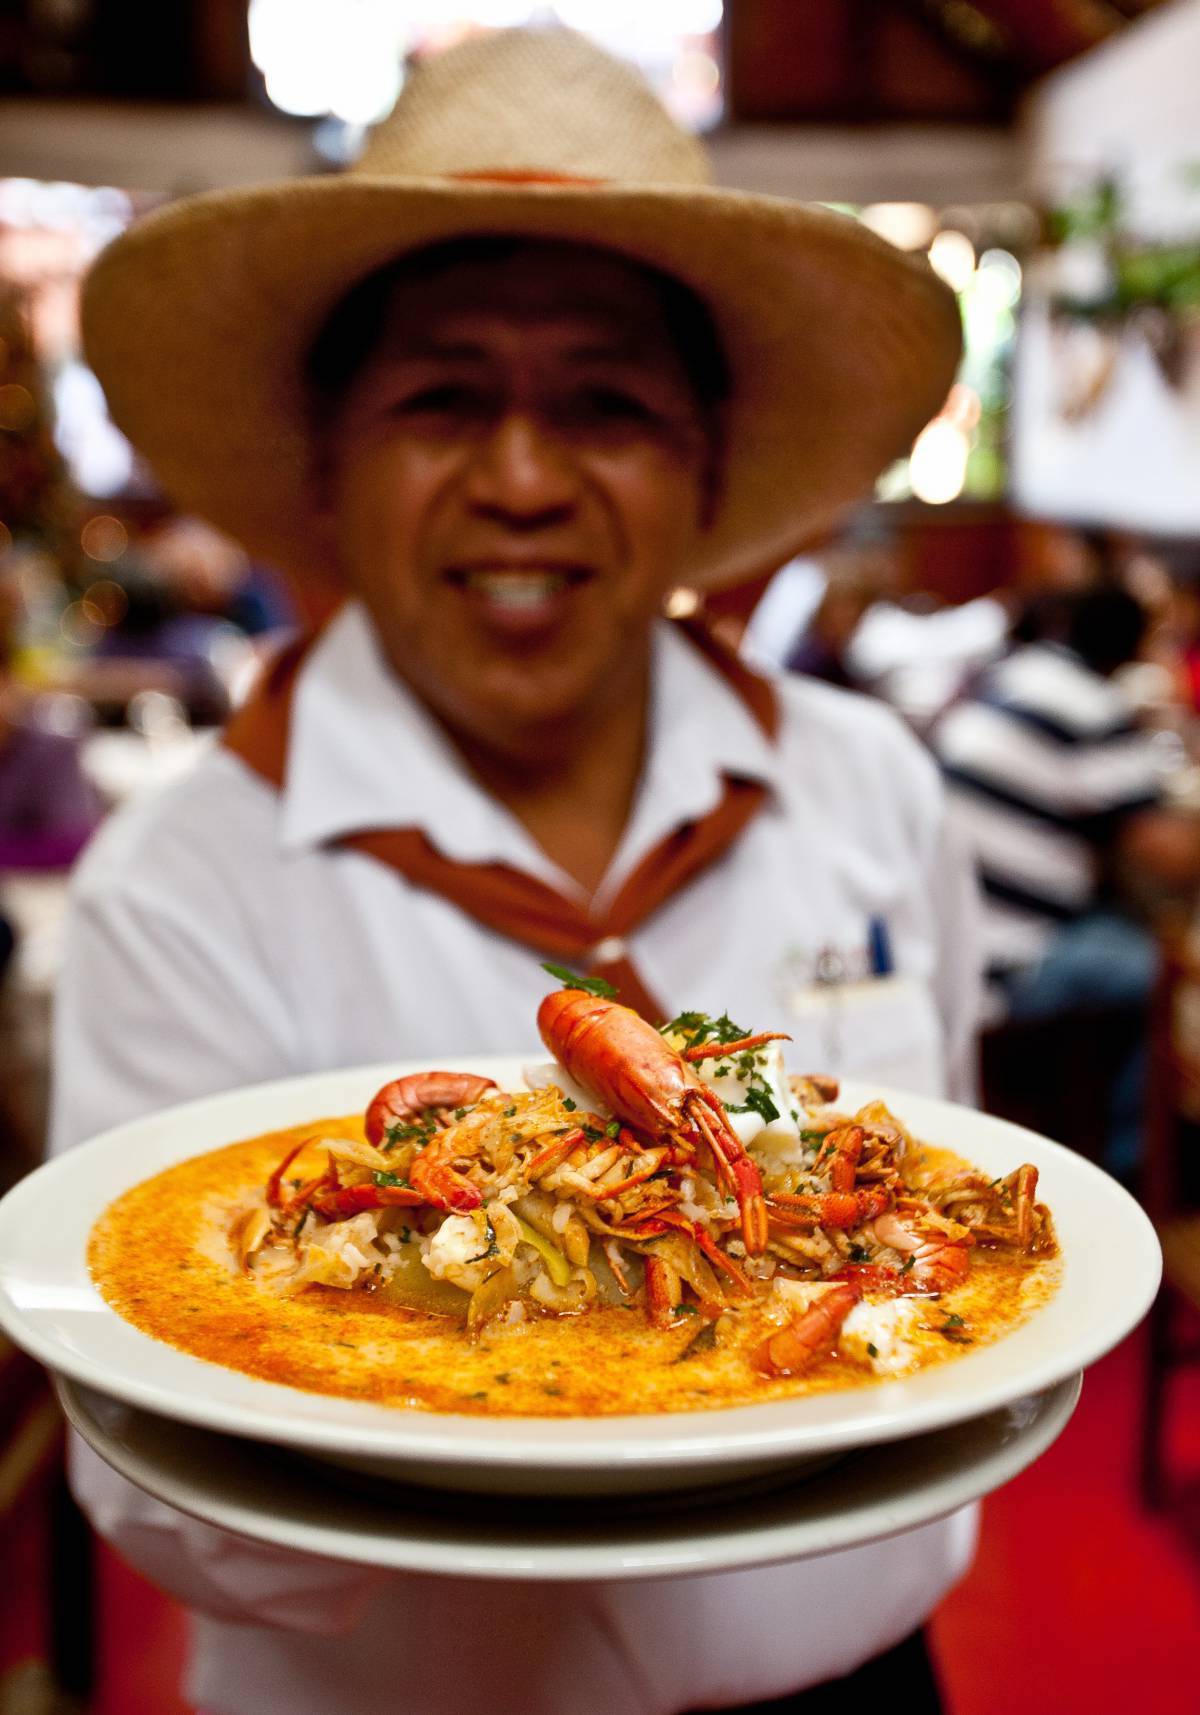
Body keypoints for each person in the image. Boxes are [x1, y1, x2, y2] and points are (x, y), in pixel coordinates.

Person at [52, 27, 979, 1715]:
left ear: (705, 461)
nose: (526, 479)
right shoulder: (174, 881)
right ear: (330, 466)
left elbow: (957, 1256)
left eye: (608, 403)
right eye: (442, 399)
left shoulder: (876, 792)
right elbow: (143, 1474)